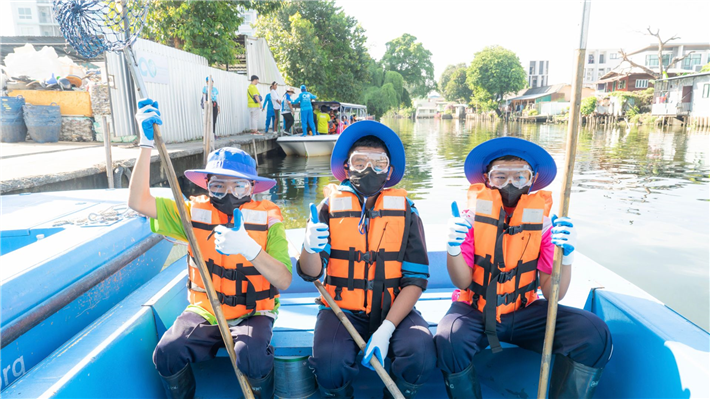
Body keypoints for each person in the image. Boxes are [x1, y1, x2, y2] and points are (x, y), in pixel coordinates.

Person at [127, 98, 292, 399]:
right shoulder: (192, 214)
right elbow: (138, 202)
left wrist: (248, 248)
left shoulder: (269, 219)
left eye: (238, 186)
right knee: (167, 351)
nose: (228, 194)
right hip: (206, 309)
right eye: (218, 186)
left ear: (252, 188)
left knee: (251, 356)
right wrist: (144, 144)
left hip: (255, 310)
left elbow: (283, 280)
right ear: (206, 186)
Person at [434, 137, 612, 399]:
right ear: (486, 179)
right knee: (449, 339)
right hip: (475, 309)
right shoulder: (469, 219)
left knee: (594, 333)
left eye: (520, 177)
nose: (510, 184)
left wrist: (567, 258)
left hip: (524, 310)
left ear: (533, 179)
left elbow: (555, 295)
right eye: (500, 177)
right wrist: (453, 247)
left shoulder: (545, 224)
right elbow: (461, 282)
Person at [298, 121, 436, 398]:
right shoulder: (327, 209)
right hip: (342, 311)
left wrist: (387, 329)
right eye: (360, 162)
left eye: (379, 162)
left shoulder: (407, 211)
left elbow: (415, 279)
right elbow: (312, 274)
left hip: (394, 309)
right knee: (328, 363)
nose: (369, 169)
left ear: (389, 171)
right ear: (347, 169)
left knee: (421, 355)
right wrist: (309, 247)